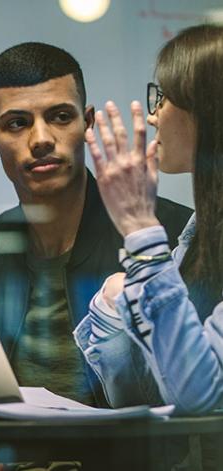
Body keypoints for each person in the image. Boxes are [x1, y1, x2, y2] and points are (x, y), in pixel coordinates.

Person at [0, 42, 192, 406]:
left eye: (61, 117)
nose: (42, 139)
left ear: (87, 123)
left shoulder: (168, 234)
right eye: (17, 123)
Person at [76, 24, 223, 415]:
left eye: (165, 98)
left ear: (205, 111)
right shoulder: (200, 233)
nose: (154, 115)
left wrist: (140, 228)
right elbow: (149, 397)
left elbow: (198, 396)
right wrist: (112, 310)